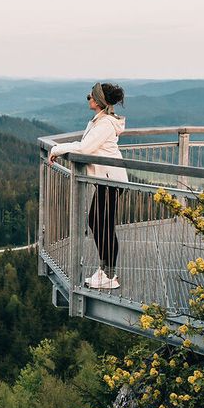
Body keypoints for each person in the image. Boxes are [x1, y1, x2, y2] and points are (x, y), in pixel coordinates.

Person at [48, 82, 127, 290]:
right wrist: (61, 149)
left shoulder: (104, 124)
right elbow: (86, 146)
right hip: (107, 180)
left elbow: (85, 148)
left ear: (99, 101)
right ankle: (107, 271)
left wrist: (58, 149)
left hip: (111, 181)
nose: (88, 98)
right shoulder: (100, 121)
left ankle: (110, 274)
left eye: (90, 96)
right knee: (99, 223)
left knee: (103, 225)